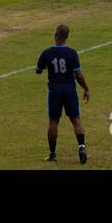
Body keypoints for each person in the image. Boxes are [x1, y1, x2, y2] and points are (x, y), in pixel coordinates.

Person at [36, 24, 89, 164]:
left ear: (55, 34)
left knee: (53, 122)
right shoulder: (72, 53)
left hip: (54, 90)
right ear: (67, 37)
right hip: (70, 89)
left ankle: (52, 154)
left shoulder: (46, 53)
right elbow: (78, 74)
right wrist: (86, 88)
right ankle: (82, 147)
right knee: (76, 119)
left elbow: (38, 70)